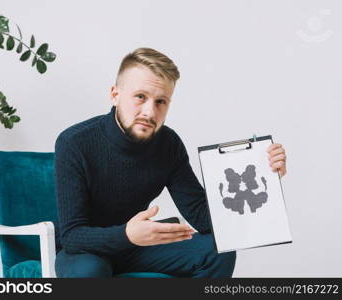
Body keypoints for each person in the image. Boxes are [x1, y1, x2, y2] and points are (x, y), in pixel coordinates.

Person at [54, 47, 287, 278]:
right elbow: (72, 235)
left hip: (137, 247)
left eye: (161, 101)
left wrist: (262, 175)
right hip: (85, 252)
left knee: (219, 251)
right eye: (140, 97)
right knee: (90, 271)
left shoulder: (168, 144)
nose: (150, 111)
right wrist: (126, 235)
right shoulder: (74, 142)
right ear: (115, 95)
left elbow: (200, 215)